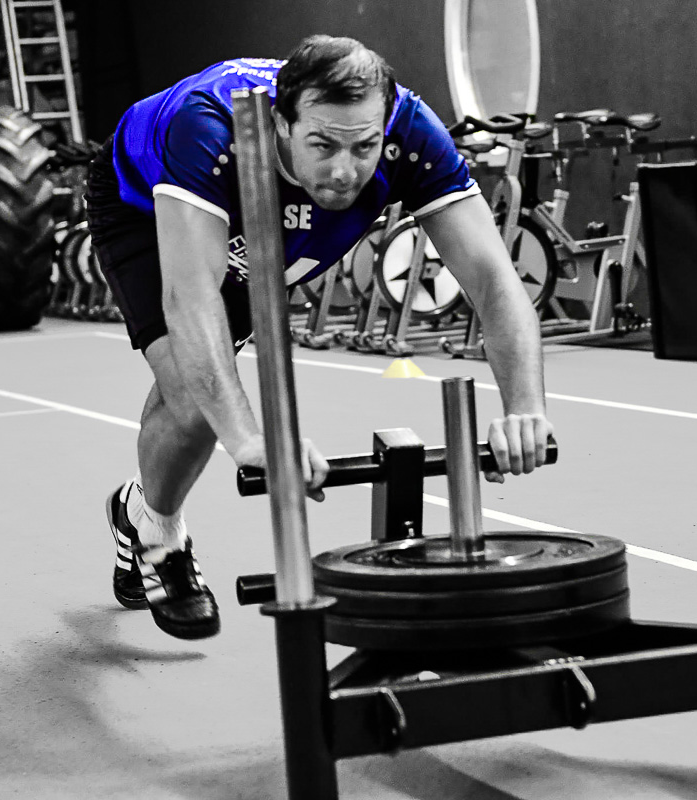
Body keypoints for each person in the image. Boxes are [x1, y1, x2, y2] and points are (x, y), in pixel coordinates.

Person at [85, 35, 553, 640]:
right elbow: (190, 297)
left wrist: (525, 410)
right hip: (146, 208)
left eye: (364, 147)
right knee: (191, 397)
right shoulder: (207, 129)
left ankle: (137, 509)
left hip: (268, 224)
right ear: (281, 123)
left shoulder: (412, 132)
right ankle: (157, 532)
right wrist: (253, 440)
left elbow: (493, 278)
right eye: (323, 144)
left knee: (200, 394)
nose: (344, 169)